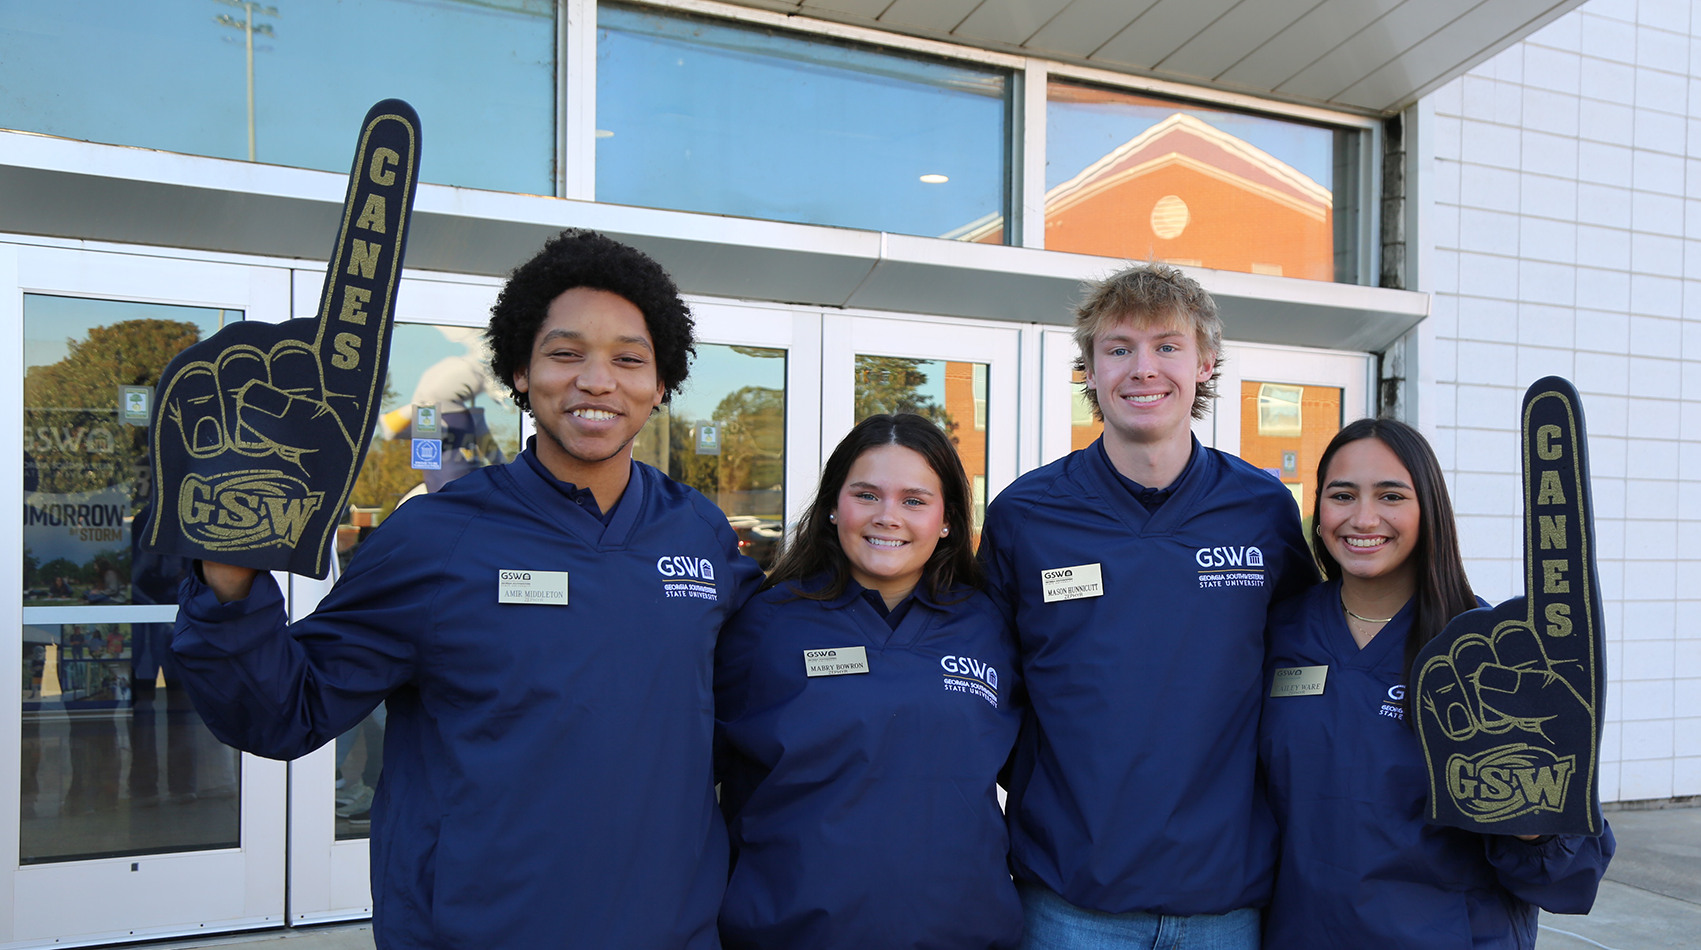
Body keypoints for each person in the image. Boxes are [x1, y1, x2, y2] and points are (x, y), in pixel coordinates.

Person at [164, 229, 765, 949]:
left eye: (629, 359)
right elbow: (284, 712)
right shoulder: (436, 538)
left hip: (670, 930)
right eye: (565, 353)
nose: (598, 381)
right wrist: (228, 571)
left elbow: (774, 698)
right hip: (479, 929)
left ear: (661, 382)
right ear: (519, 369)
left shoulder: (695, 531)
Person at [981, 262, 1316, 949]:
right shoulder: (1027, 516)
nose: (1143, 369)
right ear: (1089, 370)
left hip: (1224, 902)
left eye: (1167, 346)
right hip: (1071, 901)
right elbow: (989, 691)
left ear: (1205, 365)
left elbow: (1304, 671)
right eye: (1118, 348)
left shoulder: (1260, 512)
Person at [1259, 418, 1615, 949]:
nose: (1364, 517)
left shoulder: (1486, 655)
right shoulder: (1280, 632)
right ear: (1319, 509)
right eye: (1342, 494)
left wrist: (1534, 813)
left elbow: (1565, 873)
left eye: (1391, 495)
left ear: (1429, 510)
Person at [715, 413, 1022, 950]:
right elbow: (694, 783)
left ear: (947, 519)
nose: (887, 517)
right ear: (834, 506)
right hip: (794, 932)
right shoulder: (765, 625)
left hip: (962, 932)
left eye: (914, 500)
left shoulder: (990, 626)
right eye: (866, 494)